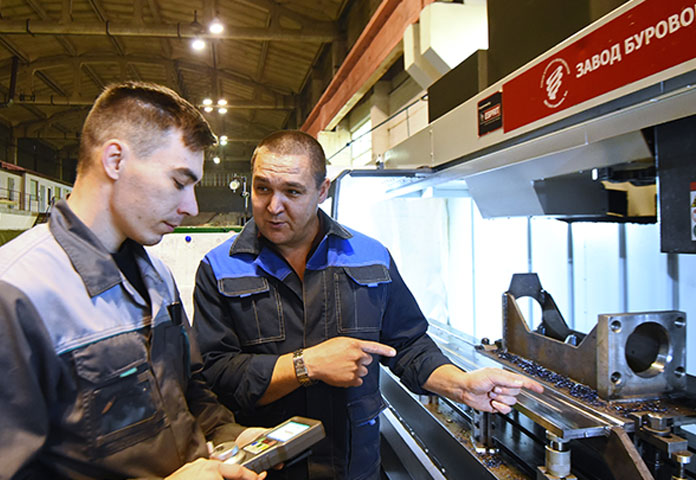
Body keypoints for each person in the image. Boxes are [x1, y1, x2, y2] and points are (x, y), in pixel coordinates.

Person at [193, 130, 544, 479]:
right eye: (262, 188)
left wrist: (459, 384)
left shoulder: (369, 256)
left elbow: (408, 344)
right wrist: (306, 365)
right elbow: (217, 374)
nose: (273, 206)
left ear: (322, 191)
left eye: (292, 192)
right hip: (269, 470)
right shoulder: (220, 267)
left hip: (355, 467)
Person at [0, 82, 269, 480]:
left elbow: (190, 394)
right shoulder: (8, 296)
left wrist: (235, 437)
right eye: (180, 182)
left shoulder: (157, 276)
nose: (191, 206)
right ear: (115, 160)